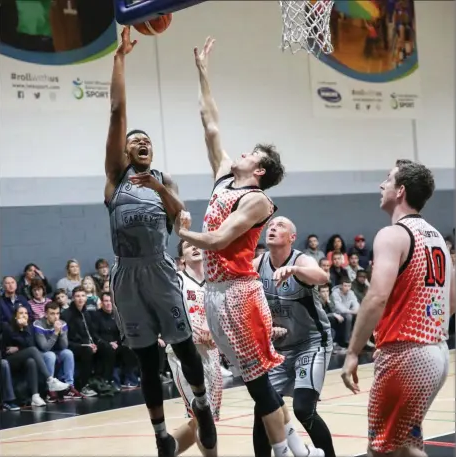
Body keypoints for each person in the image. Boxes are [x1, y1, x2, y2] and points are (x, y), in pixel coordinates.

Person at [175, 37, 314, 457]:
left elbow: (218, 241)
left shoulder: (256, 201)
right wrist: (202, 71)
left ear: (260, 169)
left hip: (238, 292)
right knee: (255, 380)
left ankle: (286, 452)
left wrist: (181, 232)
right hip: (218, 295)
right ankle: (298, 449)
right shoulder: (222, 177)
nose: (241, 151)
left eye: (251, 152)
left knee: (256, 381)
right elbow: (210, 122)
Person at [104, 26, 216, 457]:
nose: (142, 143)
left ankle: (202, 407)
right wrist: (120, 60)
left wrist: (160, 187)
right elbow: (117, 114)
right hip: (127, 276)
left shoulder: (162, 181)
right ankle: (160, 435)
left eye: (147, 142)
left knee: (185, 348)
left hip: (159, 270)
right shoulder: (115, 181)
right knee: (147, 361)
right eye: (136, 142)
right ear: (125, 153)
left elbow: (179, 213)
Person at [341, 159, 454, 457]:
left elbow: (376, 297)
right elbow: (451, 300)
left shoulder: (392, 235)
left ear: (401, 191)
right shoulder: (437, 239)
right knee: (403, 446)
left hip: (406, 354)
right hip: (437, 353)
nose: (381, 185)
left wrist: (353, 352)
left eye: (388, 180)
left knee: (383, 448)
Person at [253, 216, 333, 457]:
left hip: (311, 343)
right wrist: (265, 328)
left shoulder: (301, 259)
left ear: (292, 237)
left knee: (303, 409)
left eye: (280, 226)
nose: (272, 228)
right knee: (264, 412)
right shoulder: (258, 264)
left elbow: (323, 277)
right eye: (270, 225)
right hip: (279, 348)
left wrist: (296, 270)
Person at [166, 240, 223, 456]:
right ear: (182, 259)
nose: (195, 248)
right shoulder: (177, 280)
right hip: (184, 353)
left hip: (211, 354)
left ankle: (167, 450)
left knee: (206, 418)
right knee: (202, 415)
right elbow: (168, 311)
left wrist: (216, 332)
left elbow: (223, 315)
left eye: (196, 244)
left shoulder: (214, 282)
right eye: (188, 246)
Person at [33, 301, 82, 400]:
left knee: (68, 353)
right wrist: (55, 333)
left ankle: (69, 387)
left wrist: (62, 333)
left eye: (57, 313)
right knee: (50, 355)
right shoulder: (38, 324)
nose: (56, 317)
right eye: (52, 314)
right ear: (46, 314)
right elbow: (44, 347)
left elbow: (64, 346)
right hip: (41, 354)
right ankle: (50, 389)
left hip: (57, 351)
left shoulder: (62, 323)